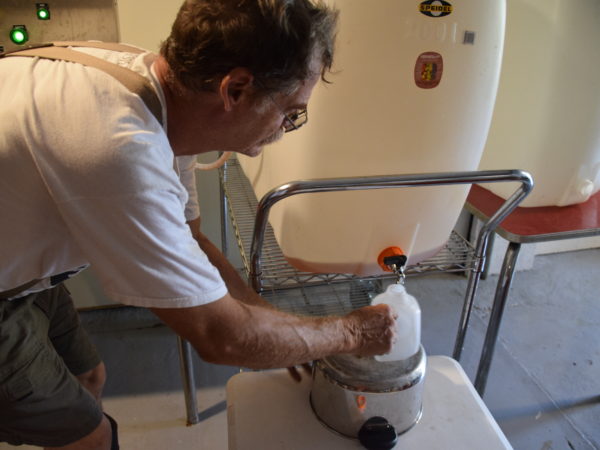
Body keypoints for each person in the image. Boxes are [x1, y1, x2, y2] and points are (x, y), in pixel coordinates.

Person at [0, 0, 395, 448]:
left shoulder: (157, 90)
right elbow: (220, 338)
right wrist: (354, 332)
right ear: (236, 90)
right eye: (291, 112)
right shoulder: (120, 147)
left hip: (21, 268)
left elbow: (192, 236)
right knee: (93, 438)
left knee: (89, 374)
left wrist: (269, 321)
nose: (286, 129)